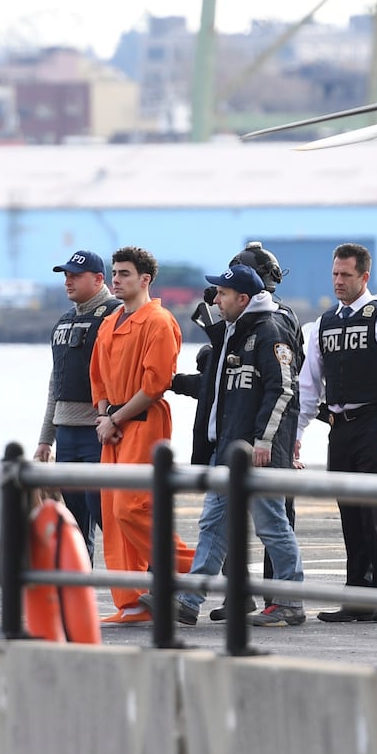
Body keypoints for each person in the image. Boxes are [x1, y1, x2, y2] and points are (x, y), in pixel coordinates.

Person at [141, 262, 305, 626]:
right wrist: (173, 382)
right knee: (213, 524)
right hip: (228, 449)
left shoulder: (269, 331)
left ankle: (291, 599)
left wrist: (264, 440)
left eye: (223, 293)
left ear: (243, 298)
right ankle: (187, 601)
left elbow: (284, 390)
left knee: (272, 525)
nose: (216, 299)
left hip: (255, 453)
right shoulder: (232, 332)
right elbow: (215, 390)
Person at [295, 243, 377, 623]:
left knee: (376, 514)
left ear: (364, 276)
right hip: (341, 429)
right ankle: (358, 597)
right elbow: (308, 386)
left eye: (346, 275)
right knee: (350, 512)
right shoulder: (323, 324)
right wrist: (298, 432)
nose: (338, 281)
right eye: (335, 274)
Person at [89, 246, 196, 623]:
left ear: (145, 280)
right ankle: (132, 601)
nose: (116, 280)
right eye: (114, 273)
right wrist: (104, 417)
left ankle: (199, 567)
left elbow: (156, 383)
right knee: (113, 516)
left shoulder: (158, 321)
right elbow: (98, 378)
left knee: (133, 508)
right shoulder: (110, 322)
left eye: (124, 274)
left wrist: (115, 419)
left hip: (143, 422)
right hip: (112, 427)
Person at [34, 249, 122, 556]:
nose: (68, 281)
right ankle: (78, 597)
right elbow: (55, 382)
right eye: (66, 276)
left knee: (107, 517)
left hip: (97, 432)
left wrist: (113, 419)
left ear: (99, 279)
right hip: (67, 433)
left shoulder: (116, 315)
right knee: (73, 524)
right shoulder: (64, 320)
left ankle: (144, 589)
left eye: (75, 276)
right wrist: (46, 439)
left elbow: (122, 377)